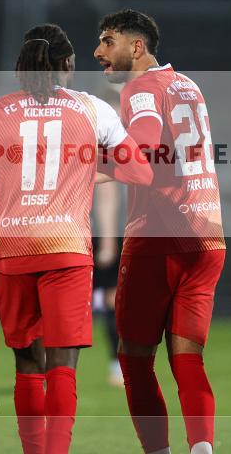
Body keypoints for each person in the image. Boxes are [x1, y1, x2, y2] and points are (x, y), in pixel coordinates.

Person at [0, 23, 152, 454]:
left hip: (13, 250)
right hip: (66, 248)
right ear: (68, 66)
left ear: (22, 70)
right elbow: (141, 172)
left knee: (27, 362)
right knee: (64, 365)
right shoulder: (92, 108)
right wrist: (87, 168)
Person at [94, 9, 226, 454]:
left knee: (134, 359)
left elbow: (146, 151)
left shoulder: (140, 88)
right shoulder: (188, 85)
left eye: (107, 41)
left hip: (159, 237)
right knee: (187, 357)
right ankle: (202, 448)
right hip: (207, 235)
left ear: (137, 47)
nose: (98, 52)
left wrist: (86, 168)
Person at [92, 82, 126, 387]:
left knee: (114, 300)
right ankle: (119, 363)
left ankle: (119, 362)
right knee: (112, 300)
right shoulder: (103, 144)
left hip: (120, 232)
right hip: (101, 234)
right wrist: (106, 241)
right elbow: (107, 198)